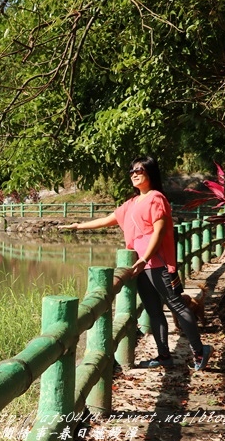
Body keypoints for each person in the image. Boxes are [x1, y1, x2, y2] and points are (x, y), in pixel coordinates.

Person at [58, 156, 213, 371]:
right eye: (131, 171)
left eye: (139, 170)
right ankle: (164, 356)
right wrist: (77, 226)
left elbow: (158, 232)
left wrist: (144, 258)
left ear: (150, 173)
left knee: (176, 305)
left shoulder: (156, 198)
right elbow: (107, 219)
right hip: (141, 266)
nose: (134, 174)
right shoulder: (131, 203)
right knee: (153, 310)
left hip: (156, 263)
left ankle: (199, 350)